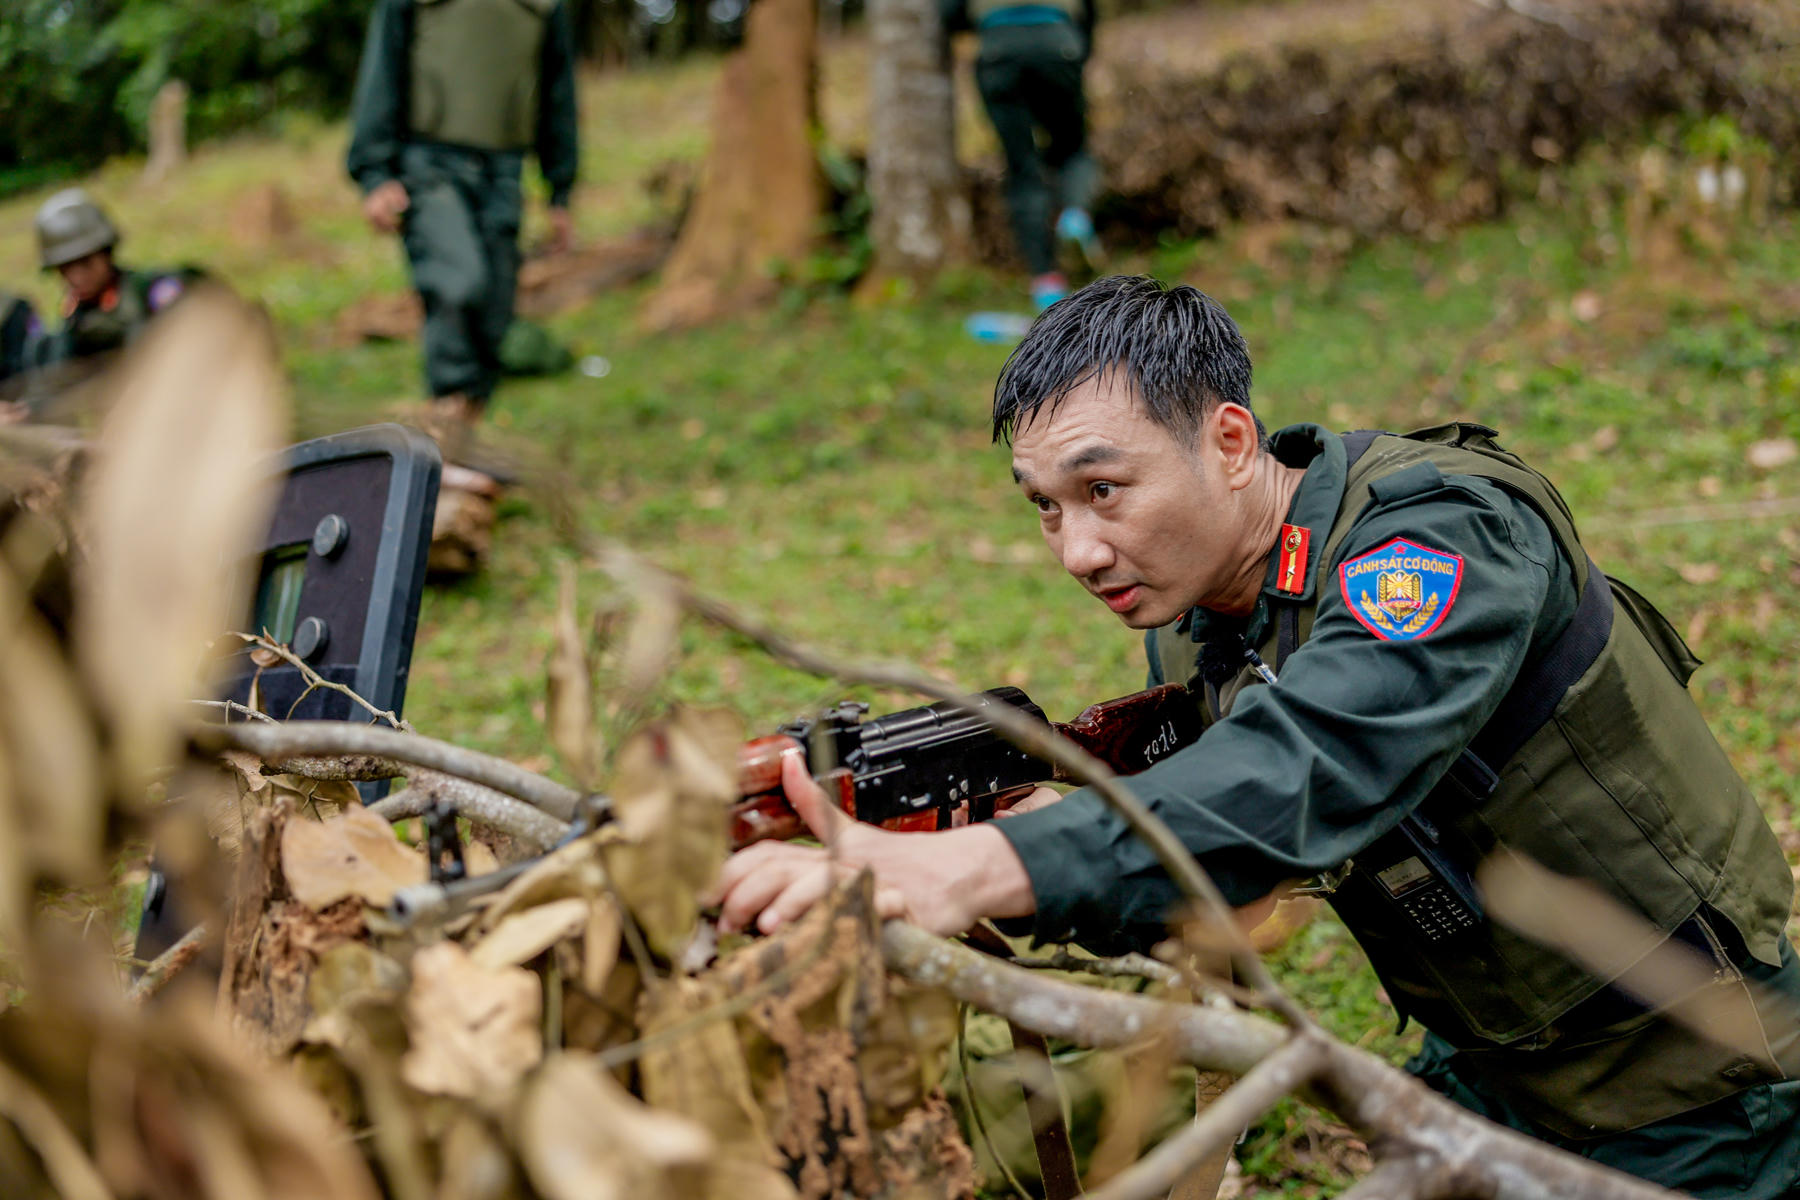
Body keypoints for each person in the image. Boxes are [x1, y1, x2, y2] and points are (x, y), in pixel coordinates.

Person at [709, 275, 1800, 1197]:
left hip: (1702, 1084)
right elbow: (1239, 899)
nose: (1077, 550)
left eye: (1104, 489)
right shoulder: (1196, 628)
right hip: (1483, 1073)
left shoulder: (1443, 535)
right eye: (1045, 506)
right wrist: (1055, 838)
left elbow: (1316, 759)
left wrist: (980, 864)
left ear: (1230, 441)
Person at [345, 0, 579, 454]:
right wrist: (375, 173)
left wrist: (561, 191)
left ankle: (464, 436)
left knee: (494, 308)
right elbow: (384, 67)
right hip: (429, 164)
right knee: (457, 282)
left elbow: (557, 93)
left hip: (503, 170)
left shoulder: (544, 7)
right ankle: (445, 416)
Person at [941, 0, 1101, 312]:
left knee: (1022, 167)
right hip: (1058, 42)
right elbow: (1089, 11)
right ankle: (1075, 216)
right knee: (1072, 149)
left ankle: (1046, 281)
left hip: (999, 47)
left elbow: (949, 12)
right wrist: (1079, 50)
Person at [30, 189, 195, 370]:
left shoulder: (149, 291)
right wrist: (68, 329)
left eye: (86, 262)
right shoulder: (74, 320)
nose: (76, 277)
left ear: (106, 252)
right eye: (65, 268)